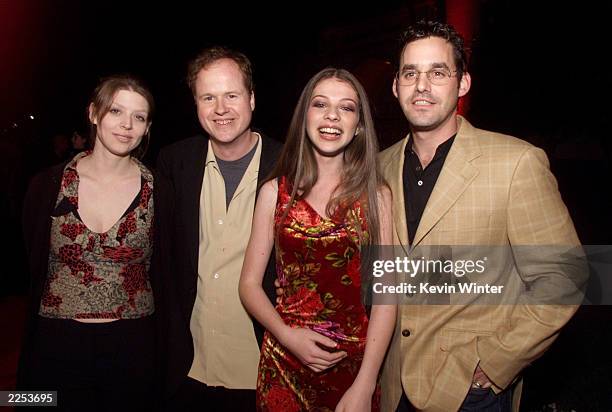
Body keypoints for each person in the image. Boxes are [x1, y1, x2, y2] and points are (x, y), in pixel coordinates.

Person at [377, 20, 585, 412]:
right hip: (392, 386)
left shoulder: (516, 162)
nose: (422, 85)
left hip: (470, 392)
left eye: (438, 72)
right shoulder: (379, 166)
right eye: (410, 73)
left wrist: (496, 363)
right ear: (395, 86)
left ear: (463, 83)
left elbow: (566, 276)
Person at [239, 67, 396, 411]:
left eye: (347, 108)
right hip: (284, 362)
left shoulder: (376, 196)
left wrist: (366, 383)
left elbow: (386, 297)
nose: (332, 116)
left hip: (353, 367)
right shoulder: (273, 192)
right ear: (304, 116)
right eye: (320, 104)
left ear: (359, 126)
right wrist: (287, 336)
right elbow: (249, 284)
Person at [18, 75, 157, 411]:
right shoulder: (46, 185)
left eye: (138, 117)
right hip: (56, 343)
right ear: (94, 114)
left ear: (147, 127)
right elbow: (31, 261)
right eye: (115, 112)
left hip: (133, 347)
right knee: (38, 405)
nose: (126, 125)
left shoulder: (161, 190)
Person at [154, 46, 282, 411]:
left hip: (262, 367)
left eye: (231, 95)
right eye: (208, 97)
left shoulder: (289, 166)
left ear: (252, 99)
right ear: (195, 104)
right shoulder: (173, 163)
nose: (220, 108)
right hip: (187, 369)